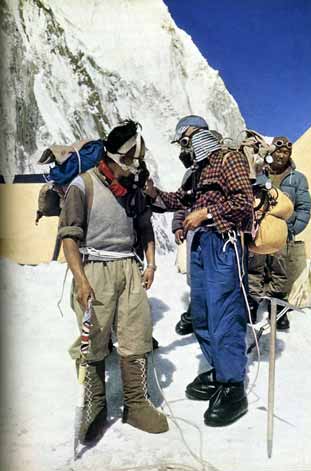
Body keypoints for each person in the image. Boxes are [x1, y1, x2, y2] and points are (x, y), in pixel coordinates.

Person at [58, 120, 168, 443]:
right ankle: (95, 403)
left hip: (129, 269)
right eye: (132, 158)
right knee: (94, 337)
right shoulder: (83, 186)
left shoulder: (132, 190)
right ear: (116, 157)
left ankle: (135, 404)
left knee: (137, 332)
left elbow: (145, 226)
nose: (137, 165)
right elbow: (68, 237)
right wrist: (80, 279)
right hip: (95, 268)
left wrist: (151, 264)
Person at [145, 116, 254, 427]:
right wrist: (154, 195)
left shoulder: (227, 158)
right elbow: (180, 200)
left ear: (194, 135)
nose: (183, 148)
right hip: (201, 245)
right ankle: (220, 370)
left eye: (184, 141)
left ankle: (233, 386)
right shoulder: (196, 172)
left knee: (224, 314)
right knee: (203, 314)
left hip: (224, 243)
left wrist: (206, 212)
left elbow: (244, 202)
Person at [248, 136, 311, 329]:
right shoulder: (258, 173)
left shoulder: (297, 178)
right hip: (258, 231)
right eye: (278, 151)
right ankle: (252, 301)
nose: (281, 155)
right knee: (254, 266)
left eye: (285, 152)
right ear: (271, 152)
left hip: (282, 234)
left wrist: (291, 230)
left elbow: (304, 208)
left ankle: (277, 306)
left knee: (280, 269)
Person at [172, 129, 224, 337]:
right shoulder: (191, 174)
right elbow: (183, 201)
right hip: (195, 234)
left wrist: (208, 215)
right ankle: (196, 313)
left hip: (218, 235)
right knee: (196, 279)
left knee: (218, 281)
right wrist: (178, 224)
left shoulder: (221, 167)